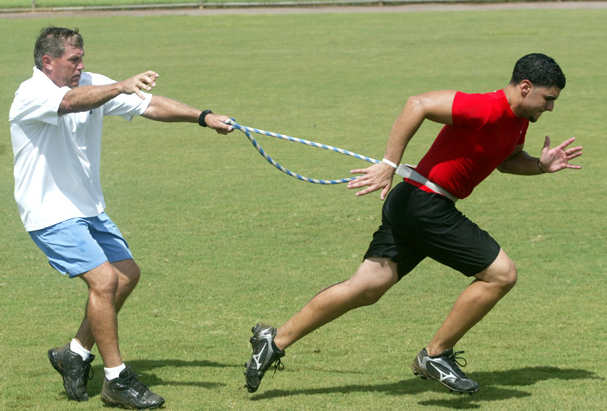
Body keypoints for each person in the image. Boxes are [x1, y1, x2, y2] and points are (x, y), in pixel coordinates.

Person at [243, 53, 582, 394]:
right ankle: (435, 355)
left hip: (413, 204)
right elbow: (417, 103)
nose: (550, 107)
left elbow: (507, 162)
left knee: (367, 286)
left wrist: (540, 165)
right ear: (525, 87)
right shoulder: (486, 107)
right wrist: (389, 163)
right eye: (548, 98)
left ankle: (274, 339)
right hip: (425, 204)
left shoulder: (518, 121)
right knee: (501, 274)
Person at [9, 26, 234, 409]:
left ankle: (75, 352)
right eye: (73, 60)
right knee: (104, 280)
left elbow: (148, 105)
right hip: (48, 211)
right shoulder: (31, 94)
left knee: (127, 274)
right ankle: (116, 379)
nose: (81, 65)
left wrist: (204, 117)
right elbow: (71, 102)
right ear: (48, 62)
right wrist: (119, 86)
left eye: (83, 58)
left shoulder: (94, 85)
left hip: (86, 207)